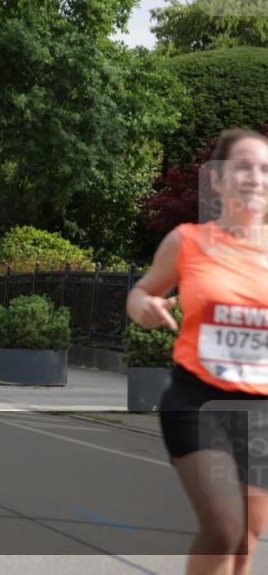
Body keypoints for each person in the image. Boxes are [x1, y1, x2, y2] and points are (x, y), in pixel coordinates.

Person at [126, 128, 267, 575]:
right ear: (220, 180)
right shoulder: (187, 241)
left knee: (245, 542)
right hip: (198, 400)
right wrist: (144, 306)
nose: (255, 178)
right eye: (243, 167)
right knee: (224, 527)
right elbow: (142, 292)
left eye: (265, 169)